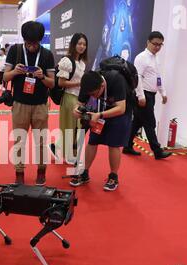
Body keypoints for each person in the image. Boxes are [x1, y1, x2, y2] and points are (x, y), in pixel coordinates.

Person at [3, 21, 55, 185]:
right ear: (24, 39)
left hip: (40, 104)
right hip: (20, 103)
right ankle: (19, 173)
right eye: (29, 43)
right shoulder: (15, 50)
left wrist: (42, 77)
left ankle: (41, 171)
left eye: (35, 43)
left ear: (40, 40)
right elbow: (5, 77)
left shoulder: (47, 55)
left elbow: (52, 83)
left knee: (41, 141)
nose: (32, 47)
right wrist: (15, 71)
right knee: (19, 140)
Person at [70, 69, 132, 192]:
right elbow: (79, 103)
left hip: (120, 112)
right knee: (92, 141)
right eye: (90, 94)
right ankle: (84, 173)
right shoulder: (88, 83)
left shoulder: (116, 79)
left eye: (94, 94)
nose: (92, 96)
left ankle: (113, 176)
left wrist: (100, 115)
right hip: (99, 112)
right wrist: (76, 109)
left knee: (113, 144)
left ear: (102, 85)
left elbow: (121, 108)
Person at [124, 31, 172, 160]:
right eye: (155, 44)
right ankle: (157, 151)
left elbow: (158, 77)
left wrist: (163, 92)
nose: (157, 47)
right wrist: (141, 96)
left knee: (138, 122)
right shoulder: (141, 57)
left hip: (151, 94)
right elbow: (137, 77)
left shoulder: (156, 58)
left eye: (160, 45)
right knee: (150, 123)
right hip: (143, 94)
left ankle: (127, 145)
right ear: (148, 42)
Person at [51, 33, 88, 165]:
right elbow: (61, 83)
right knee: (69, 128)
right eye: (79, 43)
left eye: (84, 44)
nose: (82, 46)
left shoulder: (82, 63)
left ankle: (59, 148)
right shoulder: (67, 61)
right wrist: (79, 84)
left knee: (77, 128)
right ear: (73, 44)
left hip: (79, 99)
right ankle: (68, 156)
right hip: (69, 98)